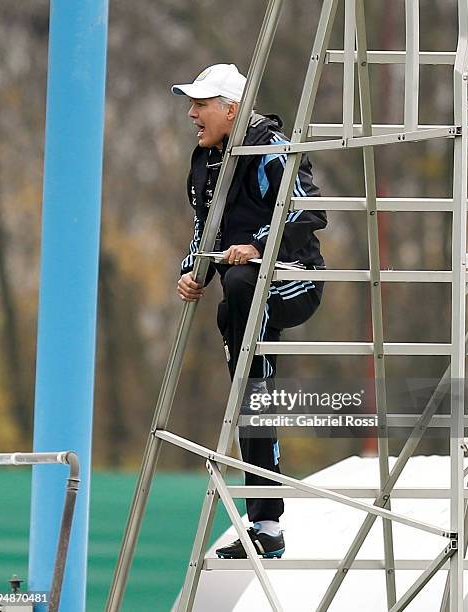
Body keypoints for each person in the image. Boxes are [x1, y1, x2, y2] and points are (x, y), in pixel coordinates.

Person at [171, 64, 326, 559]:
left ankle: (254, 386)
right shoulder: (204, 160)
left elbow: (308, 212)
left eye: (202, 104)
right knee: (244, 373)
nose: (192, 113)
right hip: (243, 289)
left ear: (231, 109)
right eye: (191, 103)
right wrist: (193, 270)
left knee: (240, 285)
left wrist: (257, 247)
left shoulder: (271, 146)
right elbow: (206, 228)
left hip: (292, 278)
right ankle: (267, 525)